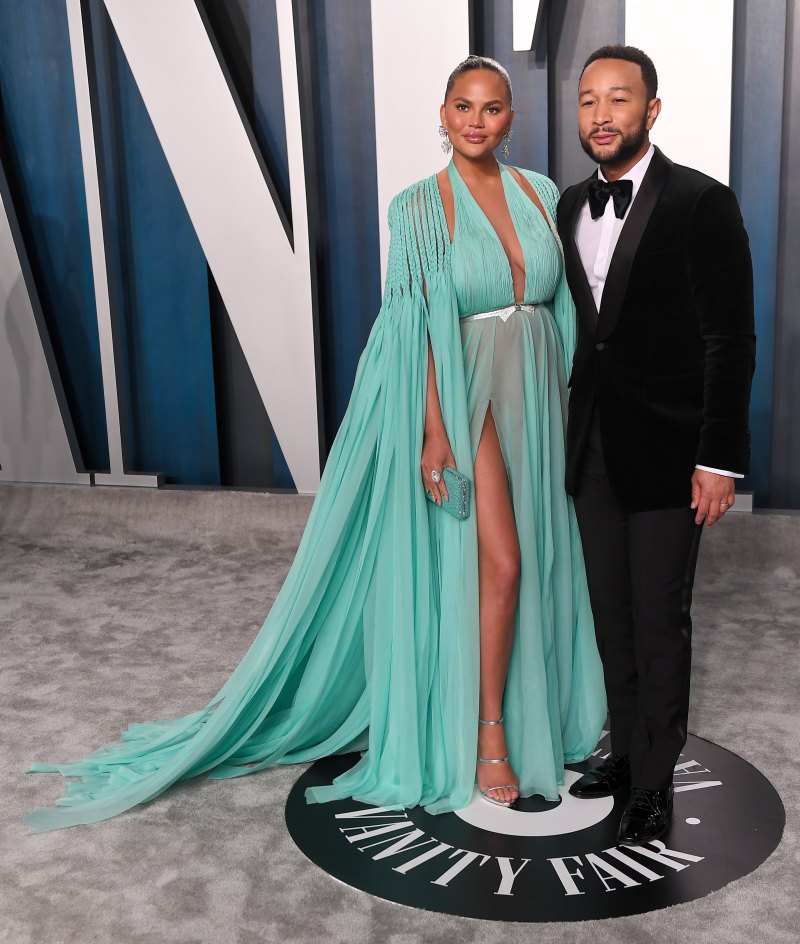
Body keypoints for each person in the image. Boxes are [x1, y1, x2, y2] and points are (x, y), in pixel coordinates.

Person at [25, 57, 606, 833]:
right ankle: (488, 730)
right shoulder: (417, 207)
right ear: (442, 114)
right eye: (463, 106)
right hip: (466, 393)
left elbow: (563, 306)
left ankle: (537, 709)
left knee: (538, 552)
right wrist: (434, 432)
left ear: (511, 117)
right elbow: (412, 323)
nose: (477, 121)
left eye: (492, 107)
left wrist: (570, 402)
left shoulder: (540, 193)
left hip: (536, 393)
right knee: (501, 562)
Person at [556, 45, 755, 845]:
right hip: (594, 447)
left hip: (674, 452)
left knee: (659, 618)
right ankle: (626, 751)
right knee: (612, 616)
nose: (601, 114)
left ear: (652, 110)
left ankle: (656, 777)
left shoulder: (703, 202)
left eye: (618, 99)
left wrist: (718, 458)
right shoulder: (570, 204)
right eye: (588, 100)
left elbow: (730, 339)